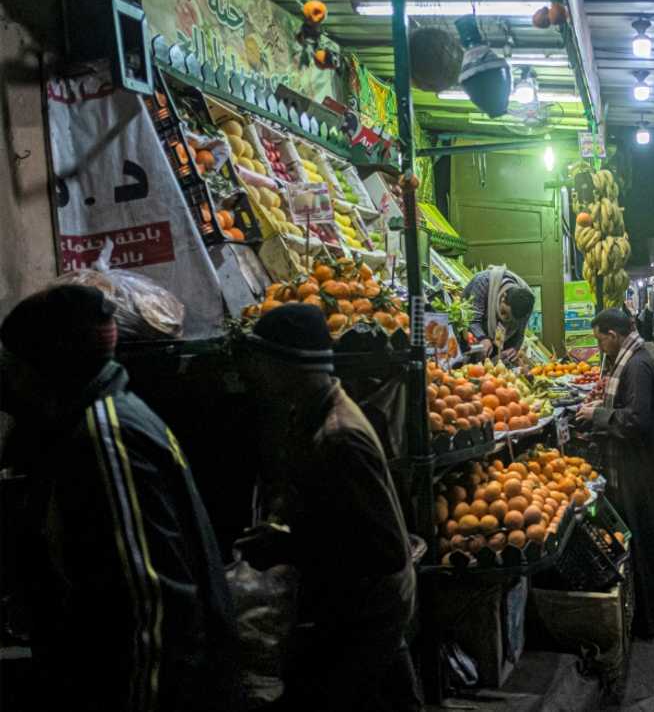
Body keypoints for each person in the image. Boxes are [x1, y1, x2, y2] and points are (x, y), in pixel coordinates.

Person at [0, 285, 241, 711]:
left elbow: (154, 605)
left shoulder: (105, 435)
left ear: (48, 367)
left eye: (16, 366)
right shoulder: (110, 414)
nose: (10, 381)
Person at [242, 304, 421, 711]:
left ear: (288, 365)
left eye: (263, 360)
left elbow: (385, 550)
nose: (256, 371)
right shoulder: (310, 416)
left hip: (369, 611)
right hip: (359, 607)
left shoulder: (339, 436)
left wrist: (288, 548)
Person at [576, 309, 654, 637]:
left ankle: (652, 621)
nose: (599, 346)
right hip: (641, 466)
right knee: (647, 542)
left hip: (641, 471)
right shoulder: (635, 357)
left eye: (600, 339)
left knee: (646, 543)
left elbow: (636, 420)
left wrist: (599, 415)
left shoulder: (636, 365)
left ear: (613, 334)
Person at [464, 265, 536, 362]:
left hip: (496, 345)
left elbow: (520, 332)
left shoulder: (526, 304)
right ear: (503, 296)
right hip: (470, 337)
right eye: (503, 312)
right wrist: (482, 338)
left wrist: (513, 349)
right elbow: (472, 319)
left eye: (510, 319)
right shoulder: (483, 282)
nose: (505, 319)